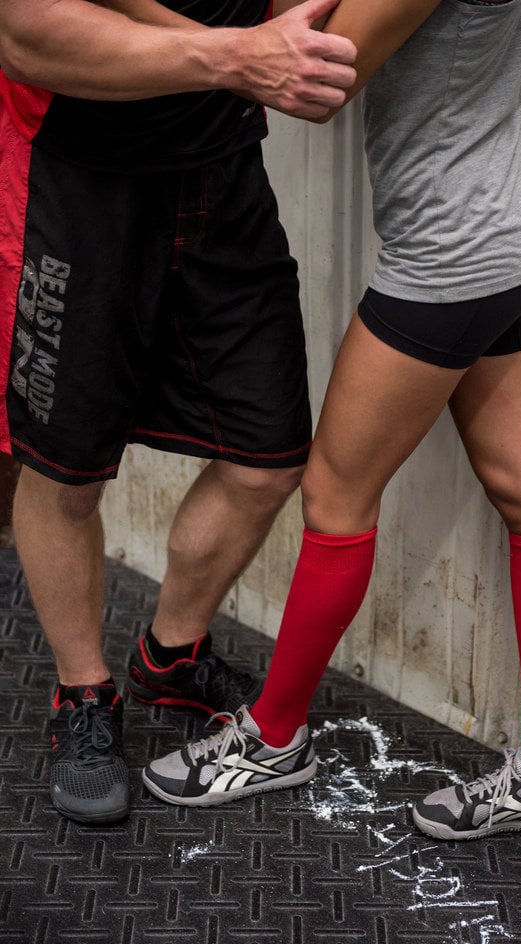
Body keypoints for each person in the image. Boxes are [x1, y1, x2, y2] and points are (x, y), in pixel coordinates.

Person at [143, 0, 521, 843]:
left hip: (453, 252)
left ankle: (274, 738)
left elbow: (317, 78)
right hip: (511, 224)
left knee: (335, 497)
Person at [0, 0, 358, 826]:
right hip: (76, 172)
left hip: (222, 166)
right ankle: (83, 695)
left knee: (265, 457)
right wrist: (232, 57)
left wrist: (260, 46)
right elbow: (24, 35)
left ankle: (171, 653)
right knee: (64, 468)